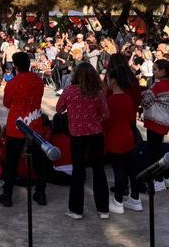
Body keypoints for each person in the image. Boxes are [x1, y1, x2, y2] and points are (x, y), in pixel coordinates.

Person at [56, 62, 110, 220]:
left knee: (78, 171)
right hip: (96, 134)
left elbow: (59, 109)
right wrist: (95, 119)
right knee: (99, 170)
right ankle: (103, 209)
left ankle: (76, 210)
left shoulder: (70, 91)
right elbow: (106, 114)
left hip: (77, 135)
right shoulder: (98, 92)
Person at [0, 52, 51, 208]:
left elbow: (7, 103)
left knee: (11, 161)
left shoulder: (13, 82)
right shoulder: (38, 81)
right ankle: (41, 193)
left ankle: (7, 194)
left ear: (15, 65)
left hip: (16, 126)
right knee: (39, 161)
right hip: (34, 123)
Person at [104, 64, 142, 214]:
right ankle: (135, 199)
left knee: (119, 172)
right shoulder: (127, 98)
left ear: (113, 81)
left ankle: (118, 201)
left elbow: (106, 122)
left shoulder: (111, 101)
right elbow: (131, 119)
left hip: (115, 139)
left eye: (107, 79)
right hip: (128, 136)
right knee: (132, 171)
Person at [141, 59, 169, 192]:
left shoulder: (160, 85)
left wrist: (143, 93)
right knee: (158, 150)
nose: (153, 72)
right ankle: (168, 178)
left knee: (154, 153)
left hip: (155, 121)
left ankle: (158, 180)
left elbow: (146, 101)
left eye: (155, 69)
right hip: (163, 120)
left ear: (163, 71)